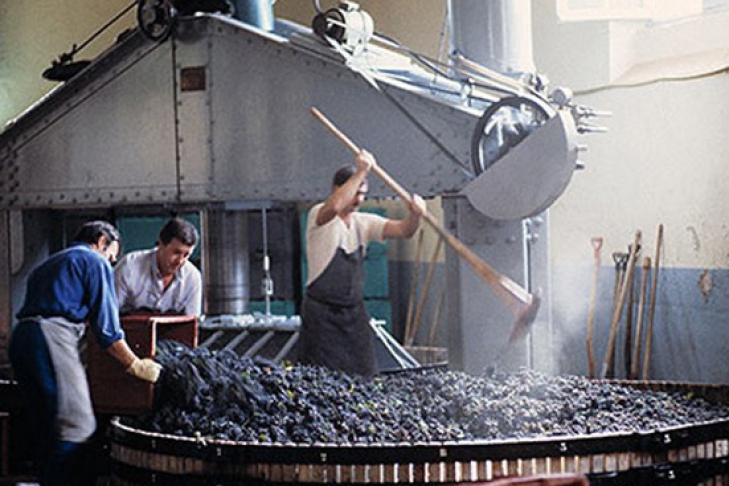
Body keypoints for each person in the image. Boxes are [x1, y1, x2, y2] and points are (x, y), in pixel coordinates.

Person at [8, 220, 161, 486]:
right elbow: (107, 331)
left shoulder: (49, 264)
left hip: (21, 336)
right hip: (50, 336)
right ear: (101, 241)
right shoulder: (94, 261)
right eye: (112, 256)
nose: (110, 262)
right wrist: (136, 364)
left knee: (47, 424)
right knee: (77, 424)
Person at [298, 149, 426, 378]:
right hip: (322, 315)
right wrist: (362, 171)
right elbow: (334, 207)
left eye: (363, 194)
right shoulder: (320, 216)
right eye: (355, 192)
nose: (359, 200)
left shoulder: (363, 223)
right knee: (321, 379)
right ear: (337, 189)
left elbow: (404, 231)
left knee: (364, 376)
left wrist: (416, 215)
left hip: (354, 314)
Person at [114, 217, 202, 316]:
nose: (180, 261)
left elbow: (192, 320)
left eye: (186, 255)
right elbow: (109, 313)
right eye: (176, 252)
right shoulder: (129, 267)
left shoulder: (192, 277)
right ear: (161, 244)